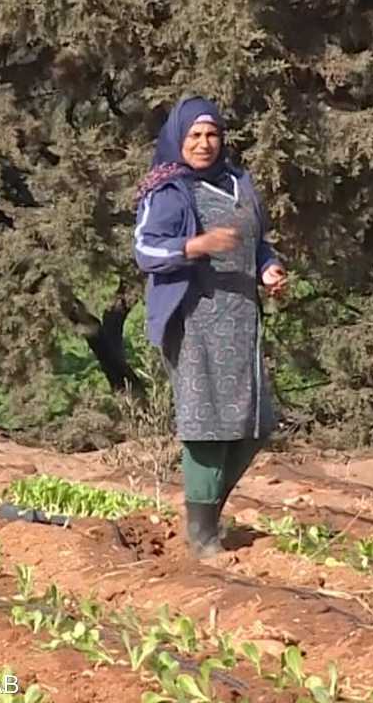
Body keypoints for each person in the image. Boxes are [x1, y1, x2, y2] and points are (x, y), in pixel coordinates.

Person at [131, 96, 289, 558]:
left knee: (255, 424)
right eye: (194, 136)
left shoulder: (240, 182)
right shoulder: (167, 190)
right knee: (205, 425)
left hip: (241, 319)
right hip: (193, 318)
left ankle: (206, 515)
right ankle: (201, 536)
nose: (204, 144)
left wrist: (269, 268)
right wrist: (196, 245)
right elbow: (146, 251)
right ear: (178, 140)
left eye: (212, 135)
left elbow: (259, 242)